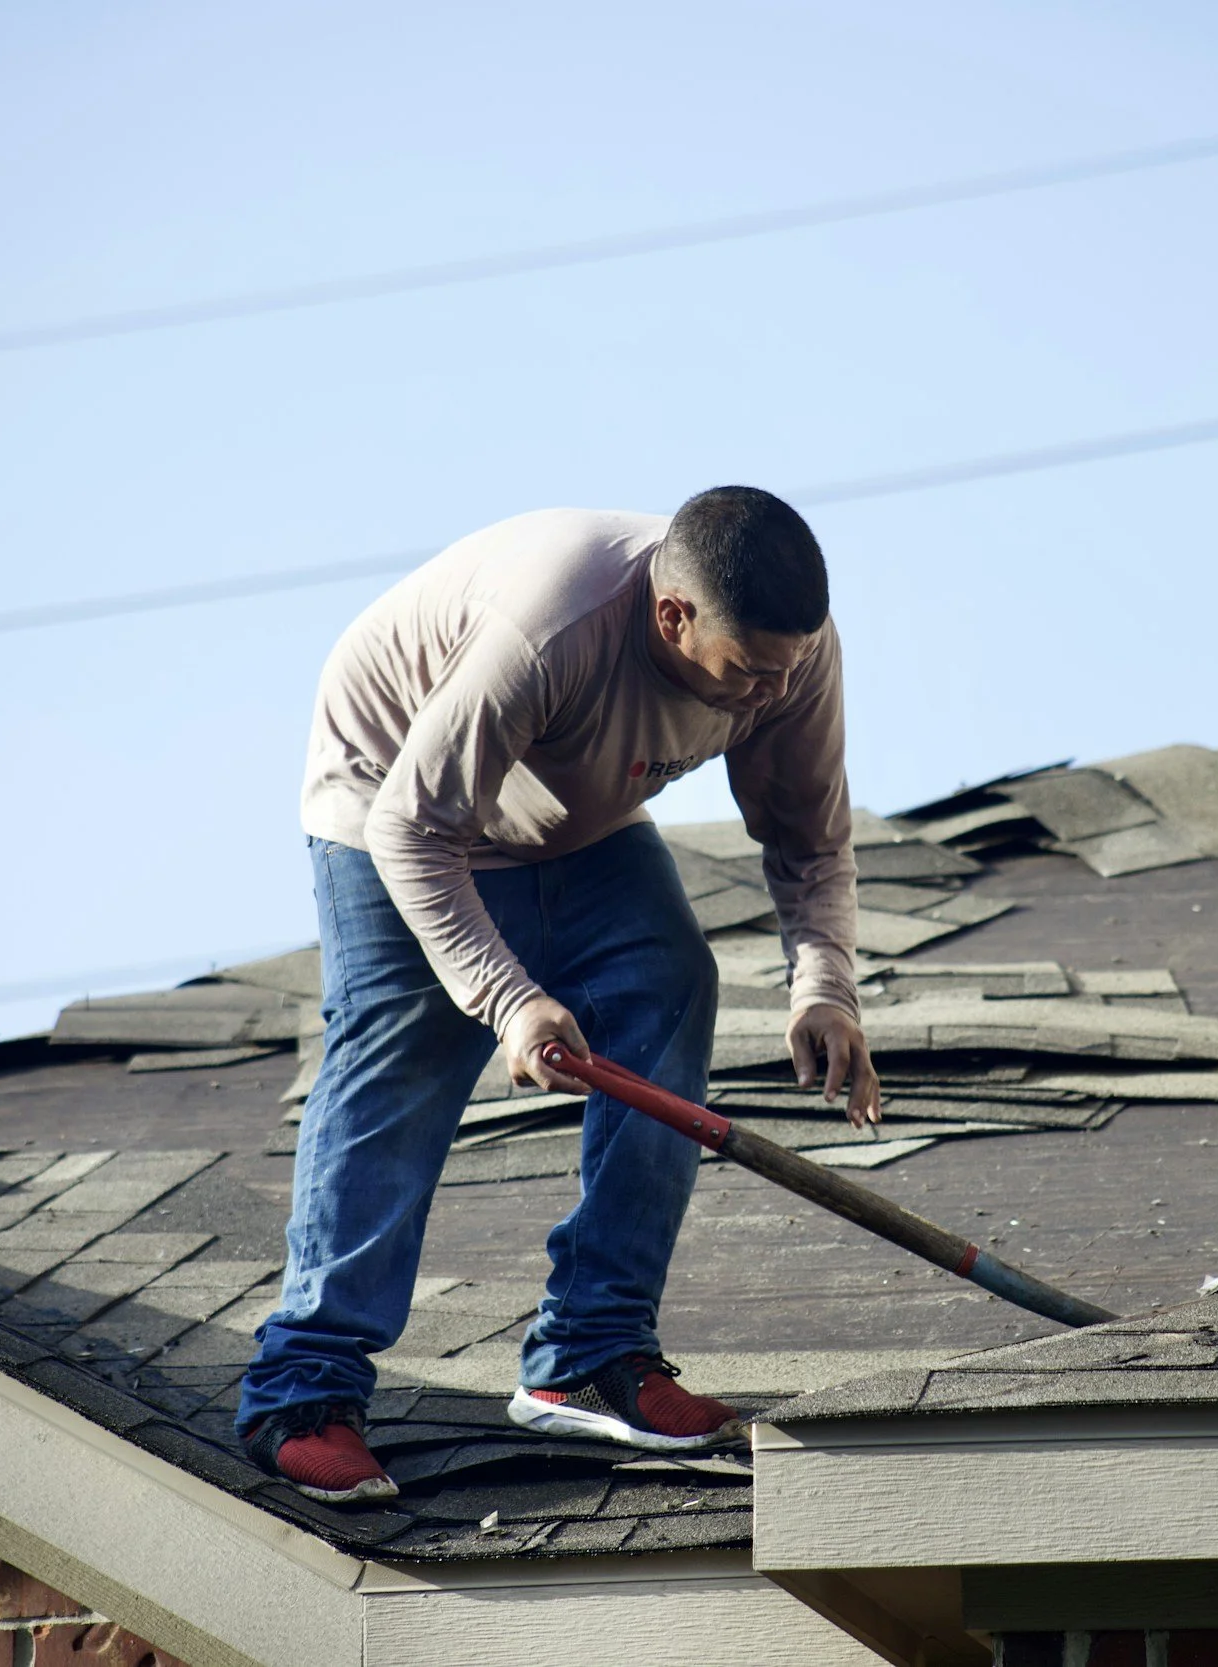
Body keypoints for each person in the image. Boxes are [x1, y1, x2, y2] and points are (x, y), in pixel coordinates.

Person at [236, 487, 880, 1504]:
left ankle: (589, 1352)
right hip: (391, 799)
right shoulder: (551, 628)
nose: (768, 692)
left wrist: (826, 988)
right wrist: (506, 996)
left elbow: (808, 836)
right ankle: (302, 1391)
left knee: (668, 982)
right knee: (404, 1050)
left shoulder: (788, 654)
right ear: (673, 618)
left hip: (568, 814)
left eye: (785, 668)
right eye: (749, 672)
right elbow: (414, 827)